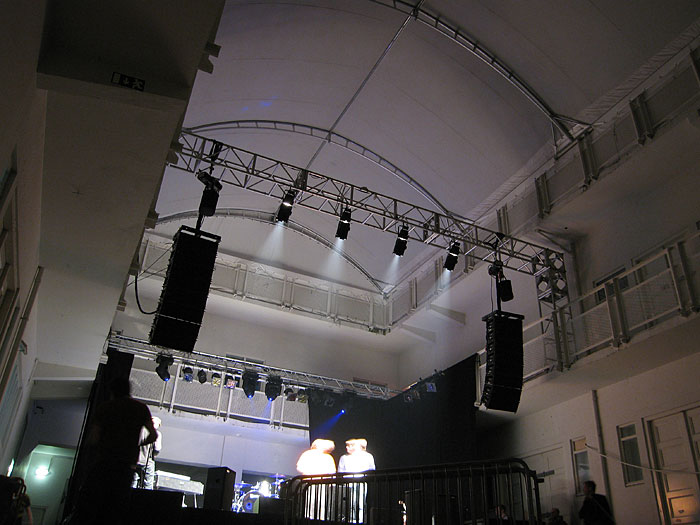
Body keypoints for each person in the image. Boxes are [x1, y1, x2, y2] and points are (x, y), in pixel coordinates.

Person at [71, 376, 157, 524]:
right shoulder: (141, 408)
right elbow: (153, 435)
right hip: (126, 465)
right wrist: (137, 445)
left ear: (112, 391)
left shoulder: (105, 408)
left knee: (93, 505)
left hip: (104, 461)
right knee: (116, 508)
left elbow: (94, 437)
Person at [296, 439, 336, 520]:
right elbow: (299, 467)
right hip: (309, 483)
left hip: (322, 484)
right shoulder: (307, 454)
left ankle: (320, 520)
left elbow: (332, 472)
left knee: (322, 505)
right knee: (310, 503)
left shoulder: (328, 457)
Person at [338, 438, 375, 523]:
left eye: (350, 445)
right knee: (351, 503)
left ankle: (360, 520)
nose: (347, 448)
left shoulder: (367, 456)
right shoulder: (344, 458)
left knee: (361, 503)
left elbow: (372, 469)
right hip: (348, 484)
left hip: (362, 483)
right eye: (347, 446)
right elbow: (340, 472)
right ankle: (352, 520)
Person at [132, 416, 162, 489]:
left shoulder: (140, 431)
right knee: (148, 484)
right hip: (147, 462)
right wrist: (153, 455)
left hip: (136, 460)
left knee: (133, 480)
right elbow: (157, 449)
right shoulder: (157, 434)